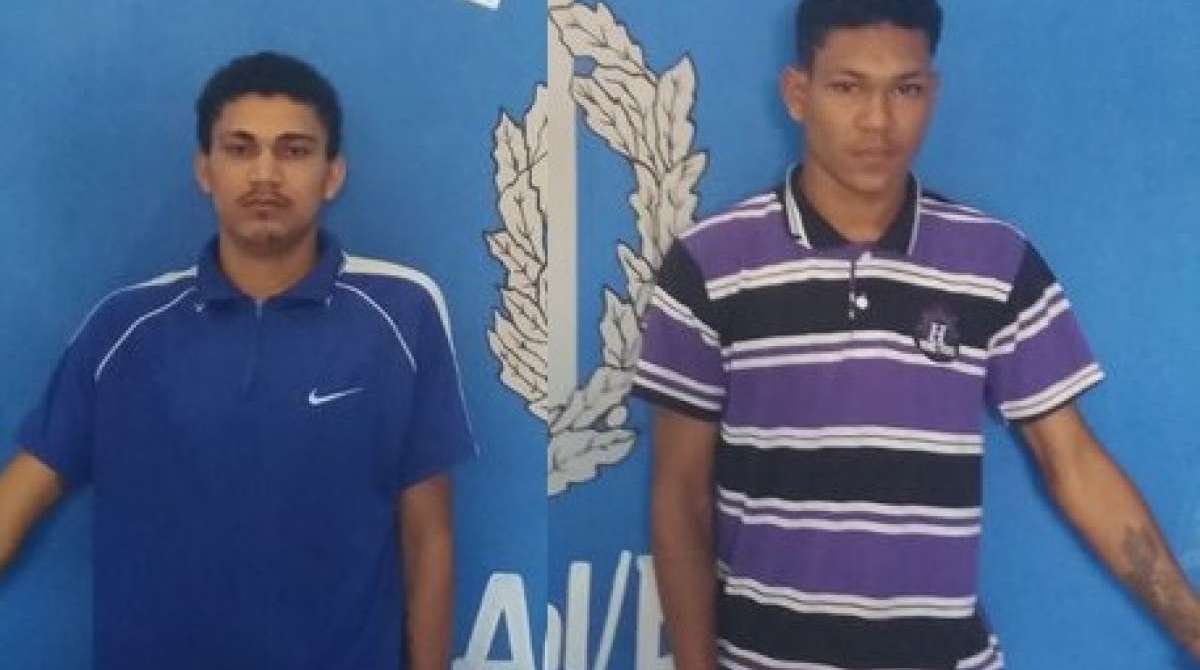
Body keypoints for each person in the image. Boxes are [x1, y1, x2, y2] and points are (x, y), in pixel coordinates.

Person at [633, 1, 1200, 668]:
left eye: (904, 89)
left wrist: (1192, 627)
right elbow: (680, 496)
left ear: (932, 93)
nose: (878, 120)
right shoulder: (710, 265)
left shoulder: (995, 263)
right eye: (848, 87)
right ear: (797, 93)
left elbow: (1072, 462)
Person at [0, 52, 475, 669]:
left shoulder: (402, 316)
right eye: (240, 148)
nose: (265, 174)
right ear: (206, 170)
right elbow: (18, 498)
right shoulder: (125, 328)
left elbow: (428, 538)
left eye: (295, 150)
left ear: (332, 174)